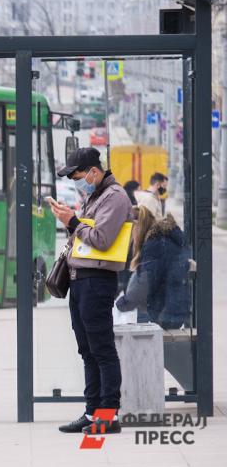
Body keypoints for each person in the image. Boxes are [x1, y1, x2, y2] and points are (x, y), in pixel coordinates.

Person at [50, 147, 132, 435]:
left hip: (97, 280)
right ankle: (92, 411)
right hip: (80, 279)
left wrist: (72, 222)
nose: (76, 181)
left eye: (78, 175)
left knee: (102, 350)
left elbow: (102, 238)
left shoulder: (115, 197)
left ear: (94, 172)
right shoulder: (94, 196)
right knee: (87, 351)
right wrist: (71, 221)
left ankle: (108, 414)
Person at [115, 207, 191, 328]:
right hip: (172, 308)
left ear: (137, 227)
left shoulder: (155, 244)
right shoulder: (161, 240)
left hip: (165, 313)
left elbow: (144, 283)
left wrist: (124, 303)